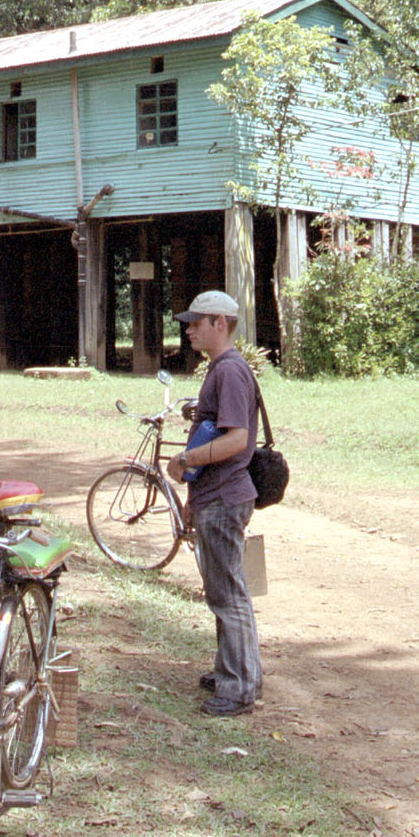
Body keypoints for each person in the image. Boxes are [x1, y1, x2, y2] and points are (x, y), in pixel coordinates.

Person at [166, 290, 262, 717]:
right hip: (214, 496)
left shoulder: (230, 372)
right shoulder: (221, 369)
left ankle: (239, 686)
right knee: (226, 590)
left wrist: (186, 459)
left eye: (196, 322)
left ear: (219, 323)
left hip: (225, 498)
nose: (189, 330)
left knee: (228, 595)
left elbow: (237, 439)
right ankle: (237, 671)